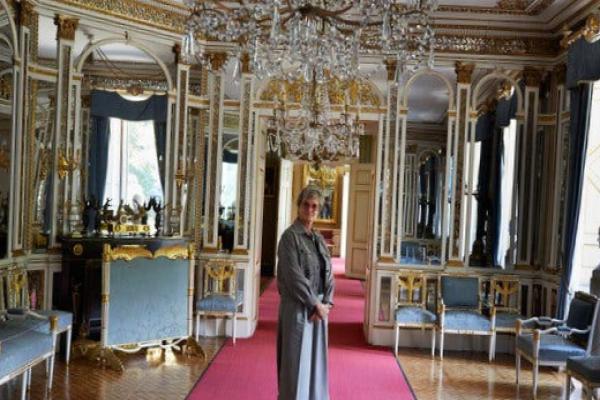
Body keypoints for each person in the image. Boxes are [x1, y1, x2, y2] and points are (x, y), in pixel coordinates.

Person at [277, 186, 335, 400]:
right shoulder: (289, 238)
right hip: (298, 311)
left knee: (316, 365)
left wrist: (327, 303)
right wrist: (315, 304)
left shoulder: (318, 238)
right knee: (295, 366)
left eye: (315, 206)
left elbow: (329, 272)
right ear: (299, 206)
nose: (310, 210)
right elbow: (293, 276)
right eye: (306, 205)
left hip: (319, 311)